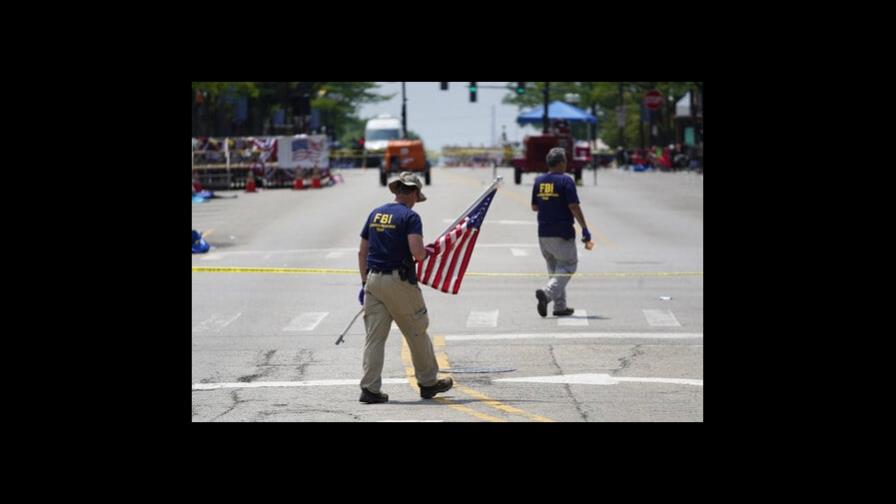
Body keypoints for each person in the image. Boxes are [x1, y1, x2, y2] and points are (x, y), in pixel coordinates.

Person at [357, 171, 453, 404]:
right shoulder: (410, 217)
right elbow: (418, 253)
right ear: (411, 192)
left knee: (374, 338)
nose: (416, 201)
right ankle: (428, 382)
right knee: (417, 331)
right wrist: (429, 251)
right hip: (398, 282)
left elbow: (362, 251)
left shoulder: (376, 213)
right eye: (417, 196)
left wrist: (364, 282)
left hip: (373, 281)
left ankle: (369, 388)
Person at [532, 148, 591, 317]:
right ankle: (547, 294)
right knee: (568, 265)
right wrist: (584, 228)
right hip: (562, 232)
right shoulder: (566, 181)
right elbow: (573, 206)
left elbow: (534, 206)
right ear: (561, 162)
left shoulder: (539, 181)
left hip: (543, 233)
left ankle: (559, 307)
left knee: (555, 270)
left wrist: (548, 203)